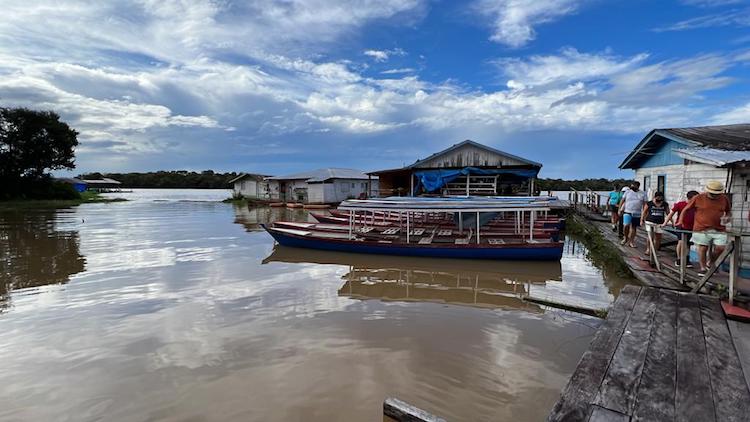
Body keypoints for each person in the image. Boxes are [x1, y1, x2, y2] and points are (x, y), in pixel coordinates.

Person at [677, 181, 731, 274]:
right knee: (703, 248)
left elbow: (728, 212)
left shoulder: (724, 199)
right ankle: (702, 268)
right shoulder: (698, 197)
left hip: (719, 228)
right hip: (701, 227)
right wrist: (680, 221)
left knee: (720, 248)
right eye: (712, 193)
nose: (715, 195)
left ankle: (710, 262)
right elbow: (686, 209)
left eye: (717, 194)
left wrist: (727, 218)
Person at [663, 190, 699, 267]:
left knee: (688, 243)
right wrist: (665, 223)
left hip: (691, 227)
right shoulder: (680, 204)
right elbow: (671, 214)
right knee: (681, 241)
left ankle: (686, 259)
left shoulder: (696, 206)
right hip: (681, 226)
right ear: (691, 198)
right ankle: (679, 259)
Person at [618, 181, 647, 248]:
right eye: (631, 186)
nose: (632, 187)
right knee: (626, 225)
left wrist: (644, 215)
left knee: (633, 227)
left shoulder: (643, 193)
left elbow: (645, 204)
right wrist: (619, 209)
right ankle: (625, 238)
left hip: (637, 213)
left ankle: (631, 241)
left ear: (637, 186)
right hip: (627, 211)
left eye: (633, 186)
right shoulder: (627, 192)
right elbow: (622, 201)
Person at [641, 191, 668, 256]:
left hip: (660, 222)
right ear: (655, 197)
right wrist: (641, 220)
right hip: (650, 221)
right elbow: (644, 212)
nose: (659, 199)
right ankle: (648, 249)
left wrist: (671, 222)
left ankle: (654, 251)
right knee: (650, 236)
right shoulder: (649, 203)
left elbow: (668, 213)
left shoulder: (665, 204)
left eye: (661, 197)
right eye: (658, 197)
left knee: (658, 237)